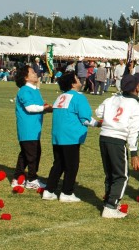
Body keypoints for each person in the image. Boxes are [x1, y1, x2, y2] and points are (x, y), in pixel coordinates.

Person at [42, 72, 99, 202]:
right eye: (78, 79)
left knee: (58, 164)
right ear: (73, 83)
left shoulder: (60, 96)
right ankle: (66, 192)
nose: (80, 80)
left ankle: (49, 190)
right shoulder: (79, 97)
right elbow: (85, 119)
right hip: (71, 136)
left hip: (58, 136)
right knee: (72, 165)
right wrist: (98, 123)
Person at [97, 72, 139, 218]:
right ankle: (111, 206)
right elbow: (134, 132)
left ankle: (108, 200)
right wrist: (134, 153)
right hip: (117, 139)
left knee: (110, 173)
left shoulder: (111, 98)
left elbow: (98, 112)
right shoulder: (136, 107)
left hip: (104, 137)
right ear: (137, 87)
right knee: (121, 176)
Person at [12, 65, 52, 189]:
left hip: (34, 128)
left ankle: (17, 178)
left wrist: (47, 109)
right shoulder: (24, 90)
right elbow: (30, 108)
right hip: (27, 128)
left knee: (26, 154)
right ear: (26, 77)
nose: (36, 73)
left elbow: (38, 107)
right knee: (33, 154)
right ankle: (32, 179)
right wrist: (44, 108)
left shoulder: (35, 90)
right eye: (32, 72)